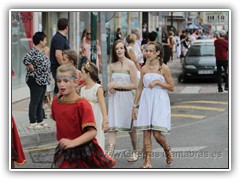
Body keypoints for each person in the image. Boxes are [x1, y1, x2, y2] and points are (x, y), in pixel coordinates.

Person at [51, 64, 116, 168]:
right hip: (65, 151)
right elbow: (57, 118)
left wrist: (73, 142)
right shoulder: (56, 102)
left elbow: (92, 132)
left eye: (66, 81)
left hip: (84, 152)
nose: (62, 85)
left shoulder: (83, 104)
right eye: (59, 81)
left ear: (75, 82)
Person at [132, 42, 174, 168]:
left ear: (157, 53)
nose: (148, 53)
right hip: (146, 100)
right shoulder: (143, 68)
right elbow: (139, 88)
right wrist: (134, 106)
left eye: (151, 51)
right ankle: (147, 161)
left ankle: (167, 149)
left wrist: (157, 82)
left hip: (160, 101)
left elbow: (171, 87)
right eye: (146, 51)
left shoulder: (164, 68)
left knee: (157, 134)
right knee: (146, 132)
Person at [107, 40, 139, 162]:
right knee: (112, 128)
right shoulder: (111, 66)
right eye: (117, 48)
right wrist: (110, 88)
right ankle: (109, 155)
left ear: (125, 49)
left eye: (121, 48)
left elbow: (135, 85)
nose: (119, 50)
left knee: (131, 129)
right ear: (114, 51)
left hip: (127, 98)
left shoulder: (131, 64)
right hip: (115, 98)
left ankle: (135, 151)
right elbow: (109, 84)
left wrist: (118, 85)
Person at [23, 32, 51, 129]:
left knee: (40, 101)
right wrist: (30, 66)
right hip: (35, 79)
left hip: (43, 80)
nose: (46, 41)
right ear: (40, 41)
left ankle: (40, 120)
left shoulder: (41, 51)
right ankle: (32, 122)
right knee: (35, 101)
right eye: (45, 40)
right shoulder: (33, 51)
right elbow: (25, 59)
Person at [80, 61, 108, 151]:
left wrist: (105, 120)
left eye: (82, 72)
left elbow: (103, 105)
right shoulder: (82, 89)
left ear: (88, 74)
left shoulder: (98, 88)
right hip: (85, 120)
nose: (80, 74)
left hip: (96, 119)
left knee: (97, 138)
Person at [50, 18, 70, 96]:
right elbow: (58, 55)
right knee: (60, 87)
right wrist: (64, 66)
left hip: (59, 68)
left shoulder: (61, 37)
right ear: (67, 27)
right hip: (59, 68)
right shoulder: (59, 38)